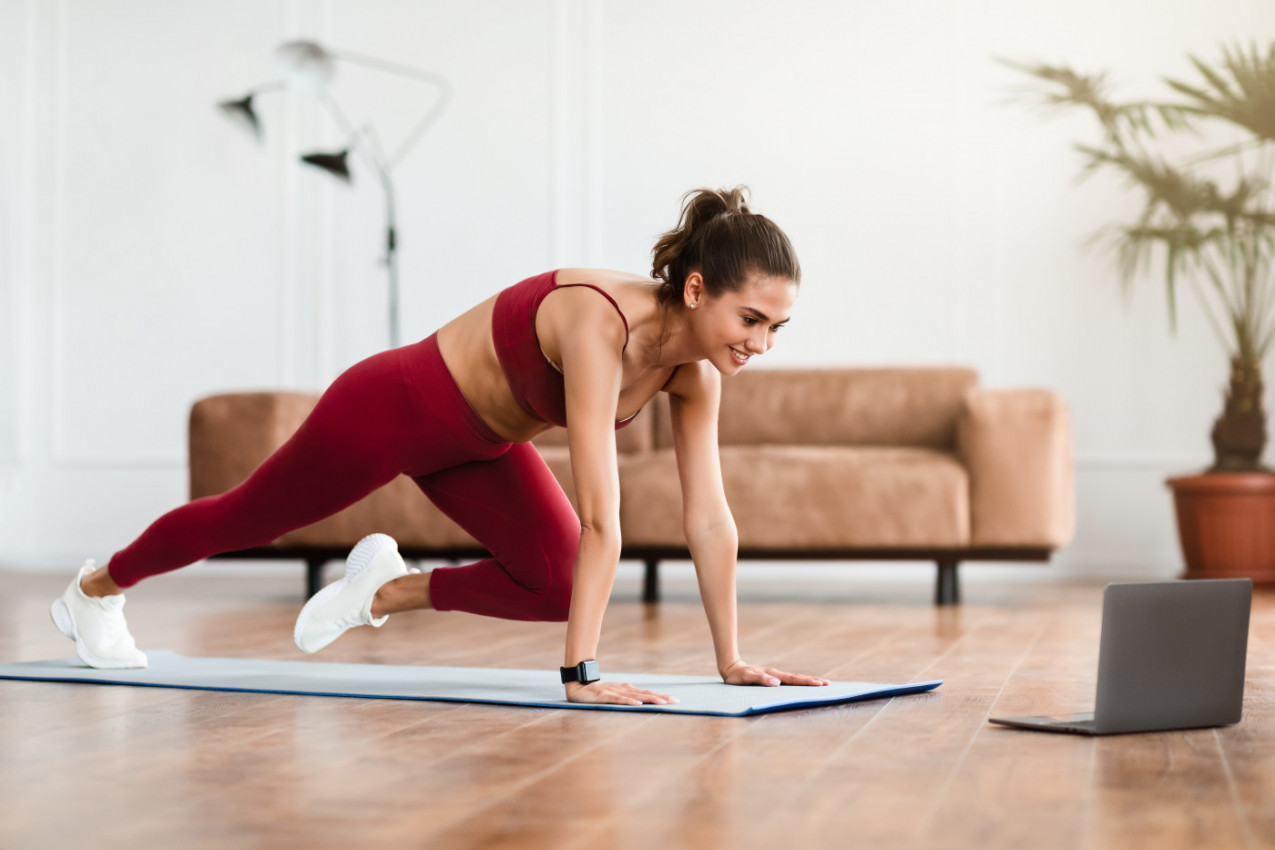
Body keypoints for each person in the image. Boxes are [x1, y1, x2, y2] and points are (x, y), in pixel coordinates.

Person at [50, 185, 830, 707]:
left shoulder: (695, 378)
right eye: (750, 320)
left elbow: (709, 521)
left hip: (479, 447)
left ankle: (380, 592)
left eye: (776, 328)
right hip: (395, 407)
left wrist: (730, 660)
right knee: (246, 520)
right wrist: (580, 675)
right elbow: (603, 517)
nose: (761, 344)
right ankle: (94, 590)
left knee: (556, 582)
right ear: (695, 290)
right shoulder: (599, 322)